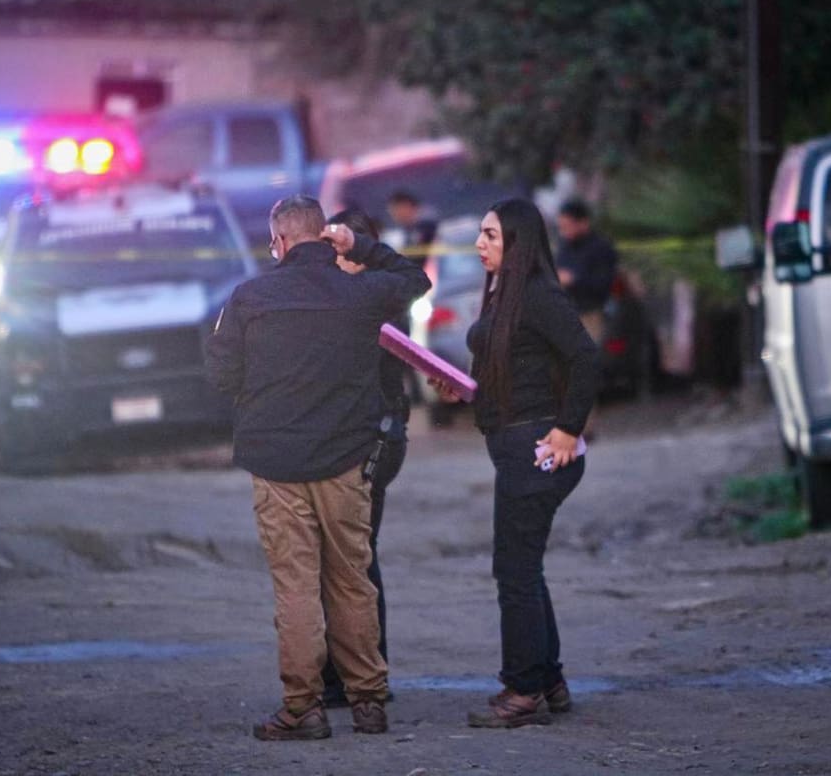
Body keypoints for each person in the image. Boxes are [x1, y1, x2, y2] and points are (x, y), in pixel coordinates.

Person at [205, 195, 430, 741]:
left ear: (277, 242)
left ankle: (303, 708)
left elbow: (220, 375)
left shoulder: (249, 298)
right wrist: (363, 247)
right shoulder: (361, 292)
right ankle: (369, 703)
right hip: (346, 461)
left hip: (276, 461)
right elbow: (416, 279)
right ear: (327, 237)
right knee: (352, 580)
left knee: (296, 586)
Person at [432, 198, 599, 728]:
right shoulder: (506, 294)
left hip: (537, 450)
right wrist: (463, 391)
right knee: (524, 568)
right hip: (513, 443)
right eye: (480, 234)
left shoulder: (537, 295)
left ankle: (523, 691)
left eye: (491, 236)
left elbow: (585, 357)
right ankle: (547, 679)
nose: (480, 244)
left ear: (519, 243)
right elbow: (515, 371)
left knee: (515, 571)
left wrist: (570, 427)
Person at [318, 208, 410, 708]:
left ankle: (362, 676)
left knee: (354, 558)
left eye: (340, 247)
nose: (333, 257)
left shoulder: (380, 295)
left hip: (375, 438)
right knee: (344, 558)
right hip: (347, 437)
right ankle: (352, 674)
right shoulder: (337, 293)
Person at [554, 198, 618, 346]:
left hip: (591, 315)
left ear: (583, 223)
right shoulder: (565, 247)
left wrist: (573, 280)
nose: (564, 231)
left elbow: (604, 284)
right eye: (561, 227)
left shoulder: (601, 248)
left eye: (567, 226)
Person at [387, 190, 438, 266]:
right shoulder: (402, 233)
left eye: (395, 210)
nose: (394, 215)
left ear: (406, 206)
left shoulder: (429, 227)